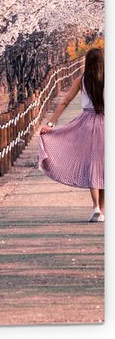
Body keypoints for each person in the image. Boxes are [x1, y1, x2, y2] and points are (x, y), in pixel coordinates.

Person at [38, 47, 104, 222]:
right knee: (105, 166)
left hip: (87, 123)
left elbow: (65, 101)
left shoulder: (82, 80)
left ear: (87, 63)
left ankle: (96, 207)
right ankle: (102, 211)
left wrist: (51, 124)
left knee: (92, 165)